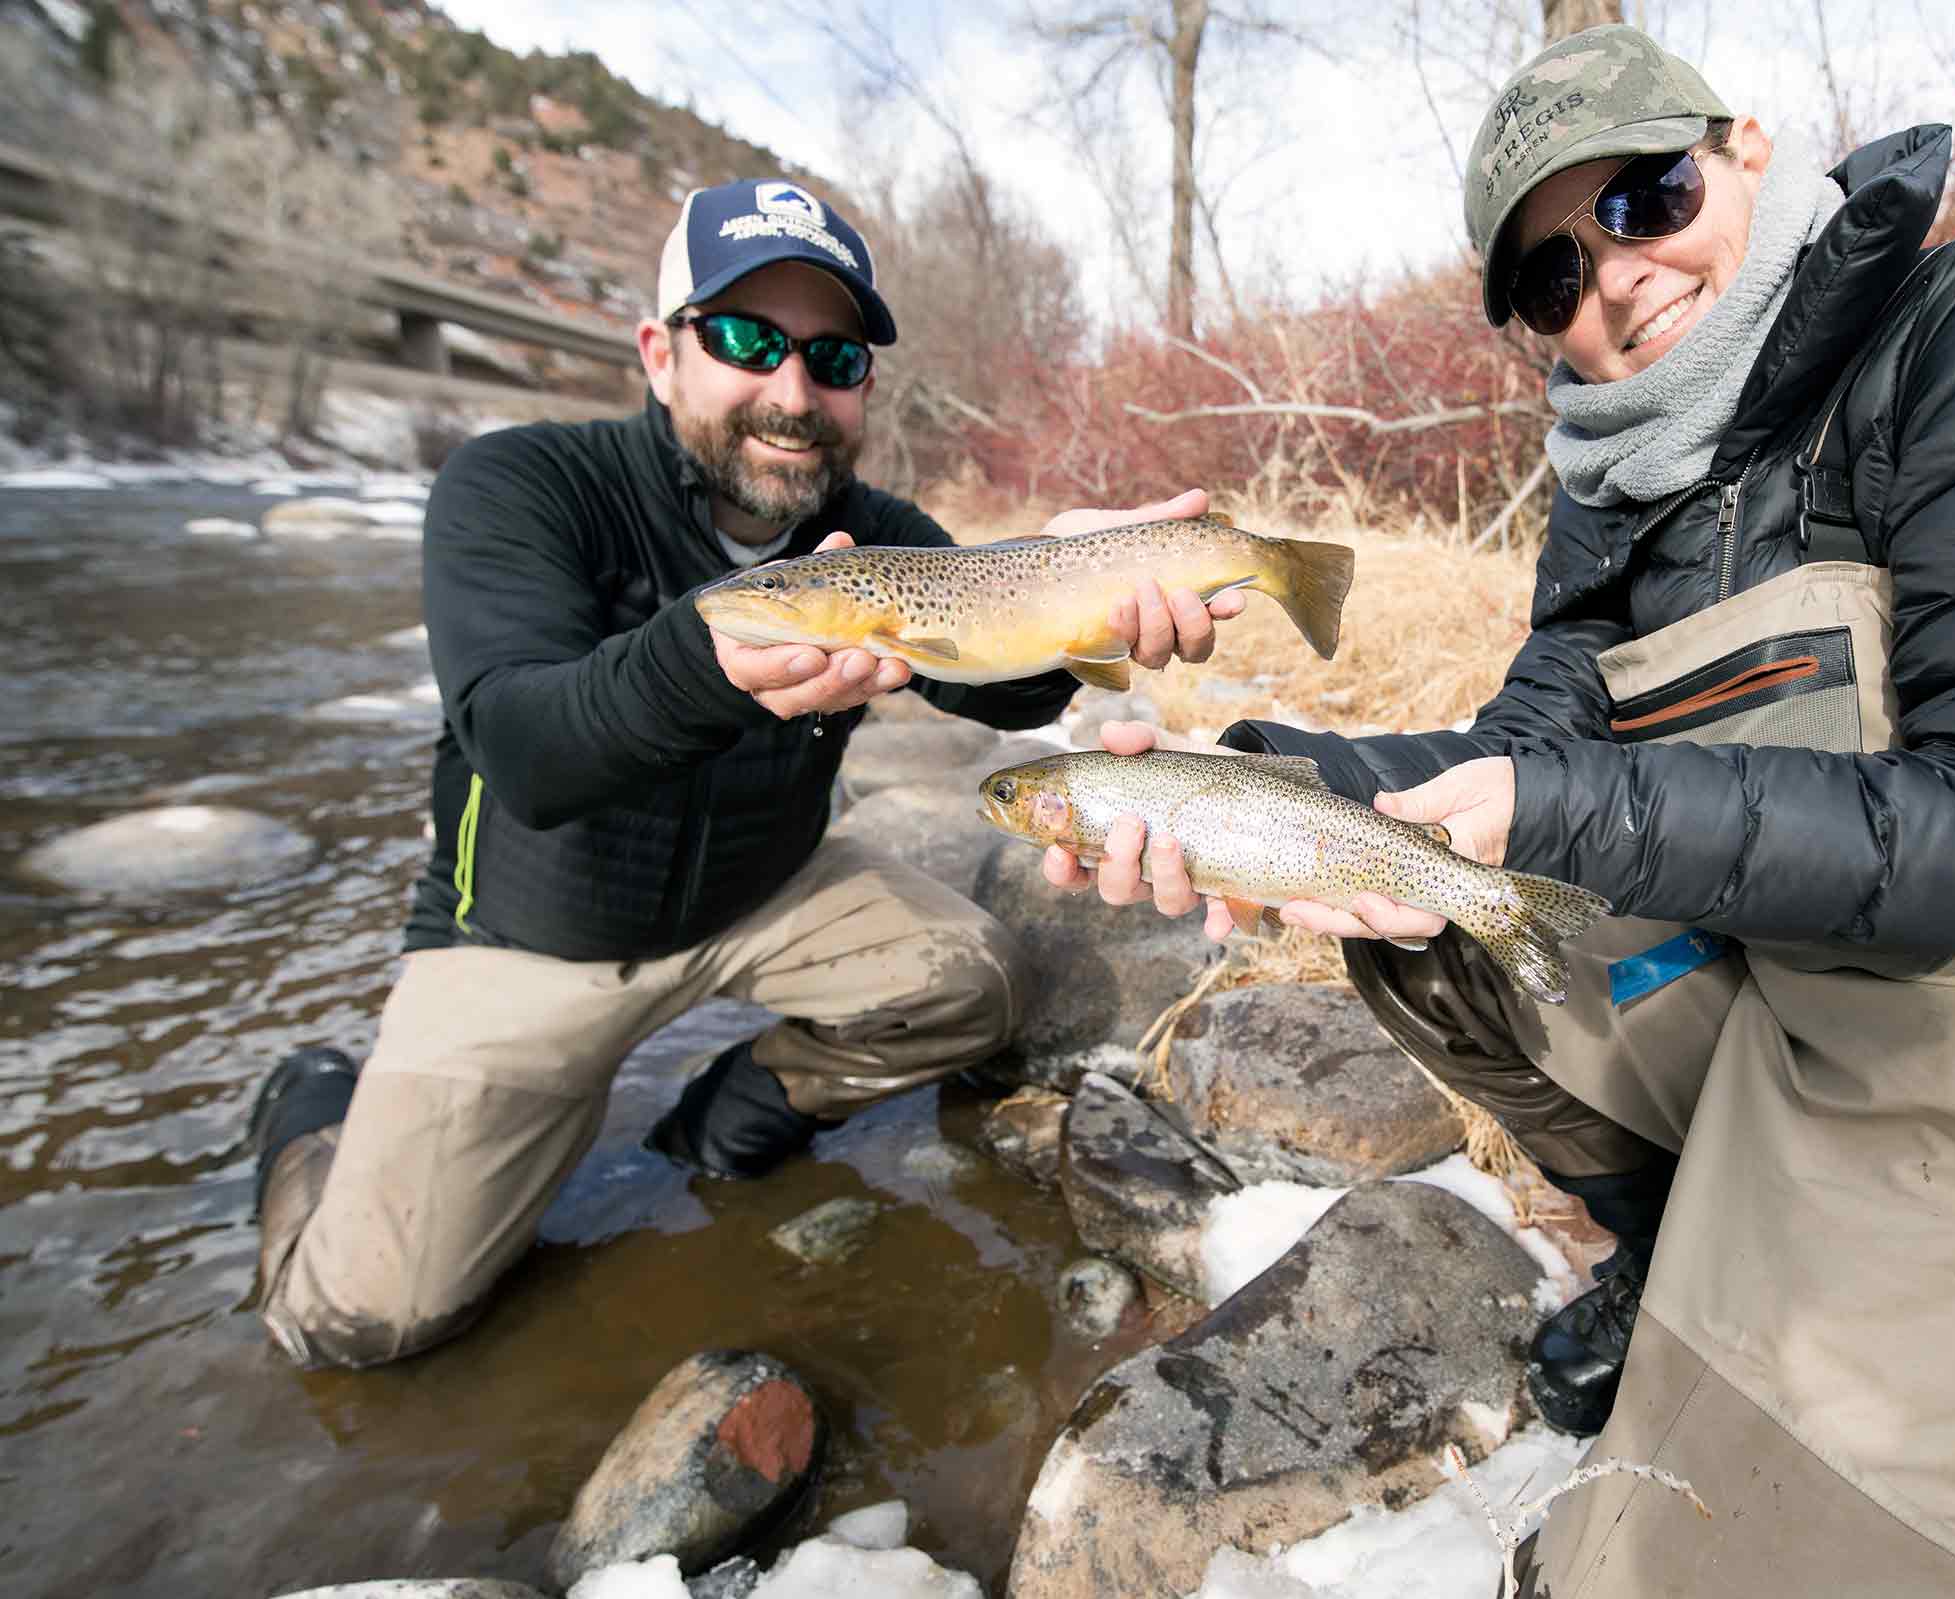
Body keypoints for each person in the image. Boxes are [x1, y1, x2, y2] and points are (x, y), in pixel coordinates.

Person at [1048, 25, 1955, 1597]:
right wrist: (1236, 784)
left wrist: (1561, 808)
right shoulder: (1621, 488)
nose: (1609, 276)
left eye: (1646, 197)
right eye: (1547, 277)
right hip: (1838, 1009)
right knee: (1446, 928)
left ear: (1746, 147)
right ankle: (1693, 1259)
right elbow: (1516, 755)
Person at [245, 177, 1237, 1370]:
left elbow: (1002, 688)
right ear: (661, 354)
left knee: (978, 983)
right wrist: (708, 656)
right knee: (358, 1325)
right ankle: (310, 1109)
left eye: (832, 356)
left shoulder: (877, 533)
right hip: (521, 937)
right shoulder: (518, 486)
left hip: (763, 895)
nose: (791, 391)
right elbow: (524, 748)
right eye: (749, 340)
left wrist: (1076, 607)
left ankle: (716, 1123)